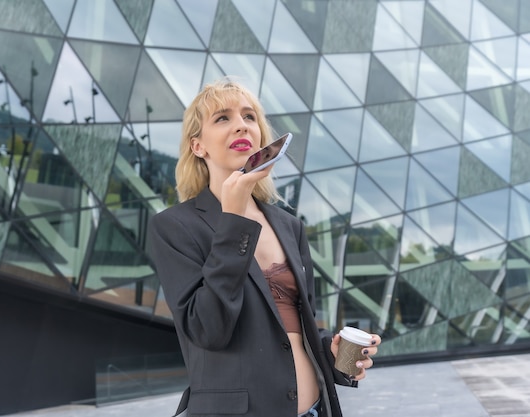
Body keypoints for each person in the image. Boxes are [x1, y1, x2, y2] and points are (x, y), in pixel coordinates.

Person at [147, 78, 381, 417]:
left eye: (249, 117)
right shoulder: (175, 226)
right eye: (222, 118)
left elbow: (293, 329)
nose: (241, 125)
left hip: (315, 409)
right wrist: (233, 219)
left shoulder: (289, 226)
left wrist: (333, 354)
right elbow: (207, 329)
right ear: (198, 146)